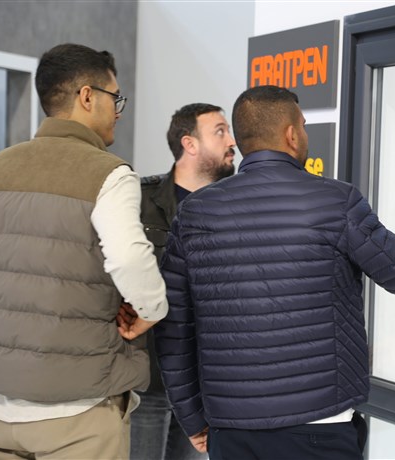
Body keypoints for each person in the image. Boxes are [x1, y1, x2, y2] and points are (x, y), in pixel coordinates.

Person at [153, 85, 395, 460]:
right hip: (320, 425)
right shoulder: (335, 201)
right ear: (291, 134)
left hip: (232, 430)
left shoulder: (194, 213)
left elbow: (174, 327)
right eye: (302, 125)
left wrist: (192, 417)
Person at [0, 43, 168, 459]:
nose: (118, 110)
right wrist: (151, 310)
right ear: (87, 96)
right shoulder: (108, 174)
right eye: (115, 98)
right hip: (78, 412)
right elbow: (129, 258)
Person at [132, 102, 236, 459]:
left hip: (203, 383)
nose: (232, 141)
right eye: (220, 132)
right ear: (189, 144)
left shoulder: (234, 207)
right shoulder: (140, 200)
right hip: (148, 378)